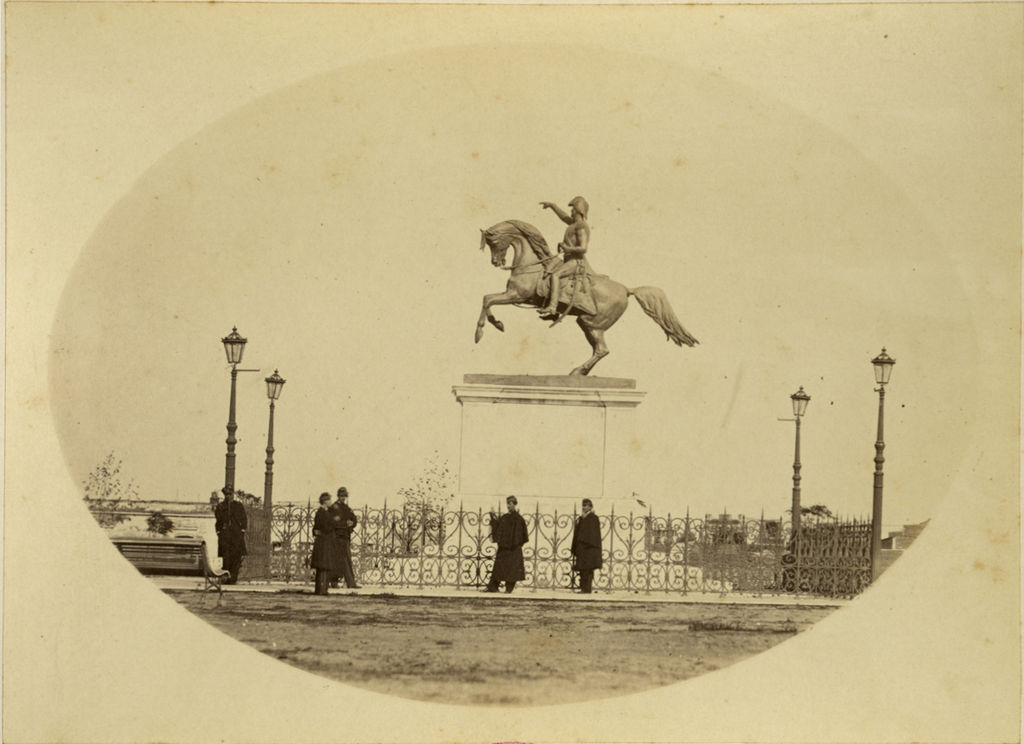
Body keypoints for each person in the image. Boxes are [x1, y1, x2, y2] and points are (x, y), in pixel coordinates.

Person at [537, 196, 592, 318]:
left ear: (578, 210)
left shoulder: (581, 226)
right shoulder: (573, 224)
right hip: (568, 260)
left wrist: (567, 249)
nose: (571, 211)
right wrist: (553, 206)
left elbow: (583, 248)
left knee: (555, 275)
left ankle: (552, 308)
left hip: (576, 261)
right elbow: (563, 217)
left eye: (573, 209)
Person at [485, 495, 529, 593]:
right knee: (499, 566)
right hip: (504, 548)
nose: (508, 506)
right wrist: (493, 516)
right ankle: (493, 587)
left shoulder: (519, 519)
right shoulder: (505, 517)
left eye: (510, 504)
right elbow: (498, 527)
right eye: (507, 504)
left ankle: (509, 589)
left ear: (514, 504)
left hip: (514, 549)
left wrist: (516, 544)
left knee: (512, 568)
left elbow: (523, 535)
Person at [310, 492, 342, 595]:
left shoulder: (324, 512)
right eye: (329, 500)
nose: (331, 502)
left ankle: (322, 590)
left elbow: (317, 528)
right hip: (324, 543)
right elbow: (324, 527)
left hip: (324, 542)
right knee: (323, 566)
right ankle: (321, 590)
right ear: (325, 501)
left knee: (324, 566)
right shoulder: (322, 513)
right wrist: (334, 522)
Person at [214, 486, 248, 584]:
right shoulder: (220, 506)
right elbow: (218, 521)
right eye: (226, 494)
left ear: (233, 494)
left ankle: (233, 579)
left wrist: (242, 531)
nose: (228, 496)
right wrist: (219, 532)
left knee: (236, 558)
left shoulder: (238, 506)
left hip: (236, 536)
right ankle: (226, 579)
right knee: (226, 557)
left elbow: (244, 520)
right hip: (225, 537)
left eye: (230, 494)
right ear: (224, 495)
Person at [329, 486, 361, 589]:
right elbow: (333, 522)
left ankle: (350, 583)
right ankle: (334, 582)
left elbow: (354, 519)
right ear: (338, 496)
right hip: (337, 537)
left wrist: (351, 523)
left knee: (347, 559)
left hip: (345, 537)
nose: (343, 498)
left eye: (344, 496)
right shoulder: (334, 507)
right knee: (336, 560)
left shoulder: (347, 508)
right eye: (341, 496)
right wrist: (345, 524)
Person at [571, 498, 603, 594]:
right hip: (583, 548)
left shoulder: (593, 518)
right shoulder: (582, 518)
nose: (584, 507)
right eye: (583, 506)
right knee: (583, 569)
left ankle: (587, 589)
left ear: (590, 507)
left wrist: (583, 541)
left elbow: (593, 534)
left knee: (588, 569)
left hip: (589, 549)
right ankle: (583, 588)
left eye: (586, 506)